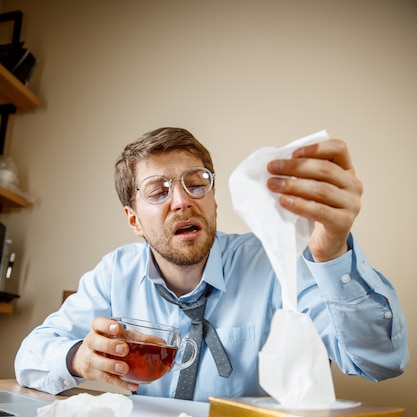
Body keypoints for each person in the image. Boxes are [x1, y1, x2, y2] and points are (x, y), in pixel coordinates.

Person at [15, 127, 408, 401]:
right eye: (157, 191)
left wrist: (332, 253)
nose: (183, 201)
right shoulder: (115, 273)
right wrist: (77, 358)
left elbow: (379, 361)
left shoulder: (274, 262)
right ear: (134, 219)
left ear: (214, 197)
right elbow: (30, 357)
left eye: (196, 183)